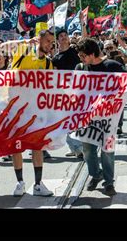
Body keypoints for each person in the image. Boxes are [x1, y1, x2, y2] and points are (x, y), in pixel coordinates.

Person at [0, 30, 54, 197]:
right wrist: (26, 41)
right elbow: (2, 47)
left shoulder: (47, 63)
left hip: (35, 112)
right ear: (39, 40)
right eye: (48, 41)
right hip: (16, 110)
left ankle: (38, 184)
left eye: (52, 42)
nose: (50, 45)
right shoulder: (24, 50)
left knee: (37, 147)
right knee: (17, 147)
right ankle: (20, 182)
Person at [75, 38, 125, 196]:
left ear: (92, 53)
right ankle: (95, 175)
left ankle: (109, 182)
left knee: (107, 150)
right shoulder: (81, 68)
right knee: (88, 149)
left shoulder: (113, 66)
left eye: (83, 55)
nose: (81, 59)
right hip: (87, 116)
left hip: (109, 117)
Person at [52, 29, 82, 158]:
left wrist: (83, 24)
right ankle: (74, 147)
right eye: (61, 36)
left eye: (65, 36)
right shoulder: (55, 58)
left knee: (77, 120)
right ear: (57, 40)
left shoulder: (75, 52)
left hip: (77, 90)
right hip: (63, 92)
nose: (64, 38)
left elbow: (85, 41)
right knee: (65, 121)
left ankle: (79, 147)